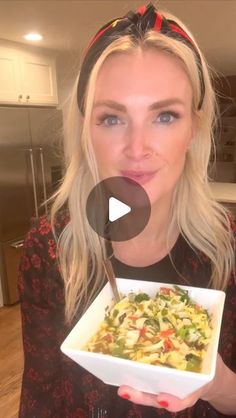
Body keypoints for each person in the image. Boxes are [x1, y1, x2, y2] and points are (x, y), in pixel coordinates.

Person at [18, 2, 236, 418]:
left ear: (193, 126)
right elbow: (39, 399)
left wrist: (219, 382)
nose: (137, 149)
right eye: (113, 119)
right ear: (86, 131)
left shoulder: (229, 247)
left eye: (165, 116)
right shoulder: (49, 248)